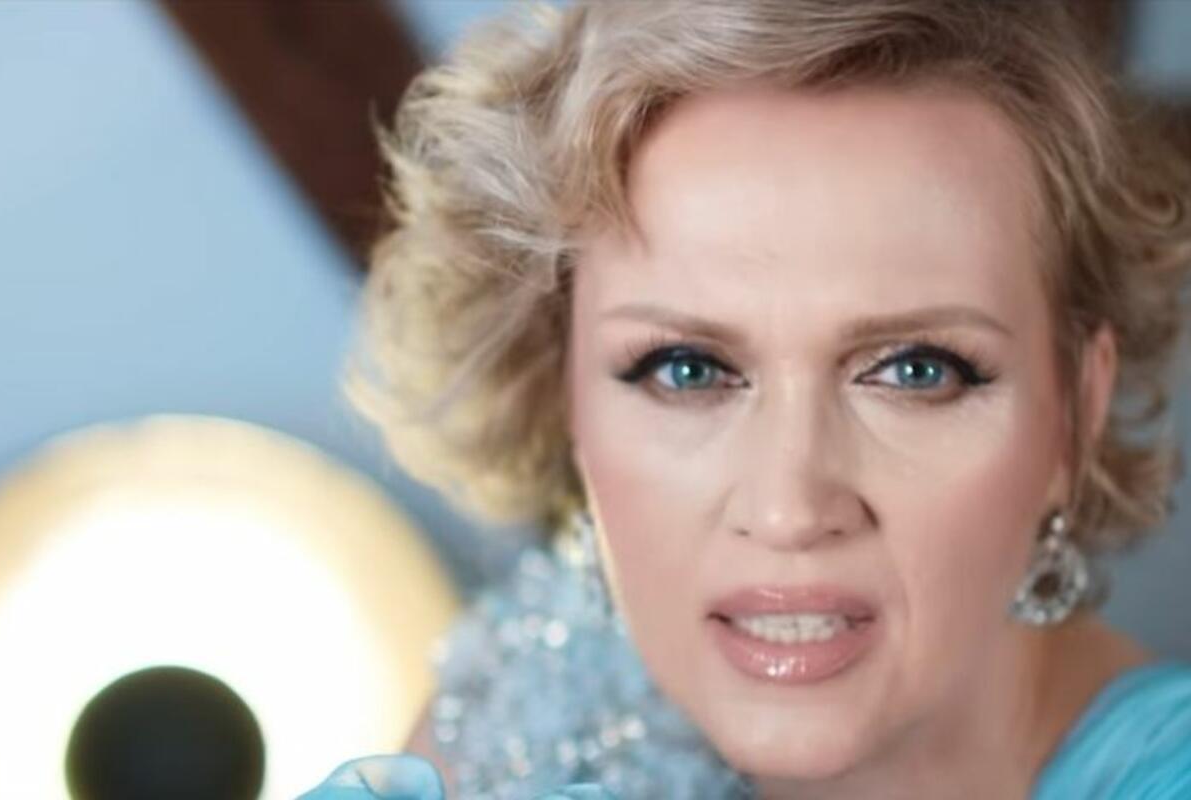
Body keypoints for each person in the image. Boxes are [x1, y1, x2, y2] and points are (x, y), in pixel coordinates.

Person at [301, 0, 1191, 797]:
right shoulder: (532, 699)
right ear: (558, 390)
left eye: (917, 371)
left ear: (1076, 411)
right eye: (686, 370)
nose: (786, 509)